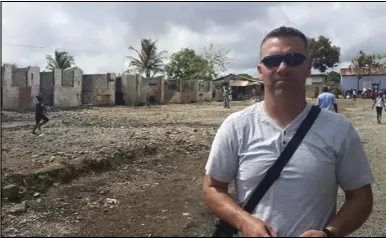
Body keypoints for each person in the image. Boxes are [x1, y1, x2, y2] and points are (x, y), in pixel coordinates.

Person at [203, 26, 373, 237]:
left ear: (308, 67)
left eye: (293, 59)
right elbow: (213, 187)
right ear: (260, 70)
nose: (283, 67)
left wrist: (329, 233)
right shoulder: (236, 126)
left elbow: (360, 196)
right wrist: (244, 222)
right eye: (272, 61)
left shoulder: (339, 129)